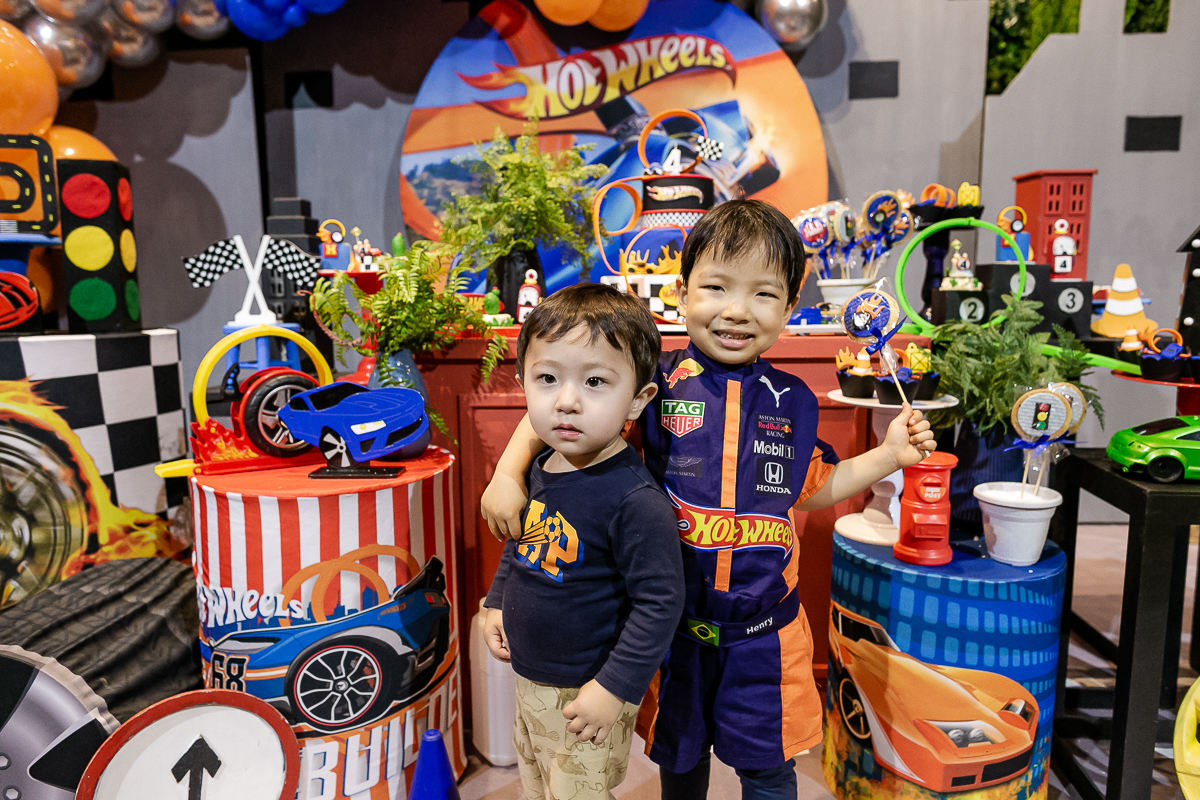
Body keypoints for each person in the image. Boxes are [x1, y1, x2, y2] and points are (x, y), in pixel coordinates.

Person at [482, 199, 936, 800]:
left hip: (767, 635)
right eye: (716, 287)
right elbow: (557, 417)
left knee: (769, 770)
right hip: (673, 632)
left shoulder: (793, 400)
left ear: (790, 306)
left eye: (764, 295)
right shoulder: (651, 381)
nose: (736, 311)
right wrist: (507, 475)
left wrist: (890, 456)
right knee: (681, 758)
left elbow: (813, 488)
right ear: (682, 291)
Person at [482, 283, 685, 800]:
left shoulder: (635, 500)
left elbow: (660, 604)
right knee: (540, 785)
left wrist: (615, 688)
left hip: (589, 690)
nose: (566, 401)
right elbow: (523, 540)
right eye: (547, 378)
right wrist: (497, 601)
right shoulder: (543, 463)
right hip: (531, 678)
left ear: (638, 399)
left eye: (595, 381)